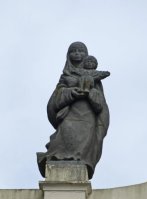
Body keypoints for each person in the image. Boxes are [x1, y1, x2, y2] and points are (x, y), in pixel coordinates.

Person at [37, 42, 110, 179]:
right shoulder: (65, 76)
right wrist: (71, 92)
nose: (77, 53)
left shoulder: (95, 77)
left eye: (81, 51)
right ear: (68, 55)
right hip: (69, 116)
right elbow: (57, 97)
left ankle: (80, 161)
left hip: (87, 118)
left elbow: (100, 103)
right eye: (73, 51)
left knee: (83, 147)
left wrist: (90, 93)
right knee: (62, 141)